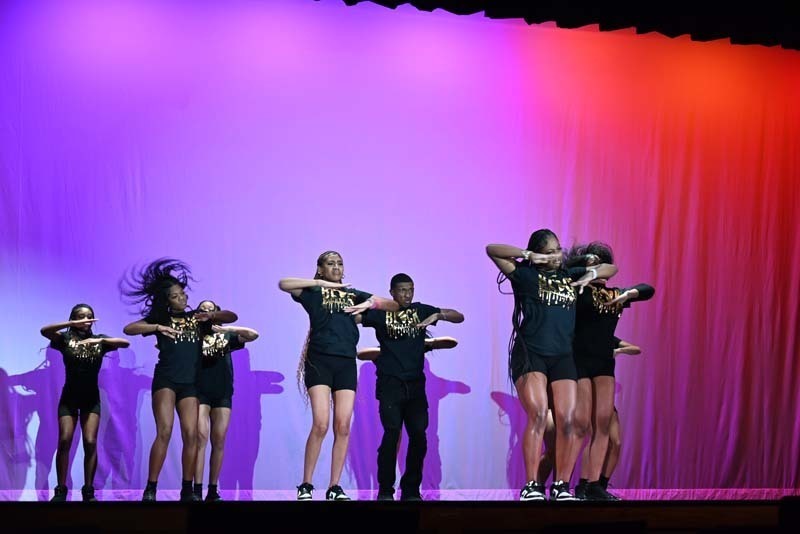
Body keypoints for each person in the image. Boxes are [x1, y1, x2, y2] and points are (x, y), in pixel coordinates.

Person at [486, 230, 616, 501]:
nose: (557, 255)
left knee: (567, 421)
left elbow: (611, 267)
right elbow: (492, 249)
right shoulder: (525, 275)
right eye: (550, 251)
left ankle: (561, 485)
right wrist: (528, 256)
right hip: (531, 354)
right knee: (537, 416)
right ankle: (531, 485)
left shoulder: (569, 275)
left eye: (558, 250)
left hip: (562, 356)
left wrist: (591, 274)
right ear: (539, 253)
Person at [278, 250, 398, 501]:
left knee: (343, 425)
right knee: (321, 423)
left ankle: (334, 487)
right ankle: (306, 484)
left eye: (340, 263)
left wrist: (370, 303)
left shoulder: (353, 293)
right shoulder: (313, 292)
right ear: (320, 268)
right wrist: (318, 282)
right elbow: (284, 284)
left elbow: (394, 304)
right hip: (319, 360)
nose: (336, 267)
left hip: (345, 362)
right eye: (330, 263)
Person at [121, 258, 236, 502]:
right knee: (164, 430)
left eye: (183, 293)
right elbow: (128, 329)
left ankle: (187, 489)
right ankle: (151, 487)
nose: (182, 298)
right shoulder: (160, 319)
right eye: (175, 296)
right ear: (167, 300)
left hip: (190, 384)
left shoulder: (197, 318)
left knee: (191, 434)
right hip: (166, 380)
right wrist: (157, 328)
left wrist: (210, 314)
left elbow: (232, 316)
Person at [358, 273, 464, 501]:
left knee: (419, 436)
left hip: (415, 386)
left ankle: (410, 489)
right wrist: (372, 303)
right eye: (402, 290)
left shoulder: (421, 310)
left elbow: (459, 317)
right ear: (392, 292)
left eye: (410, 289)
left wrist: (437, 314)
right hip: (389, 384)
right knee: (391, 433)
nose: (407, 294)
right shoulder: (381, 314)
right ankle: (385, 489)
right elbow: (354, 318)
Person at [565, 243, 654, 500]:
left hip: (604, 363)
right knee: (581, 424)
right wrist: (582, 272)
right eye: (594, 264)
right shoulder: (577, 291)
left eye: (601, 264)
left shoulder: (614, 293)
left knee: (602, 425)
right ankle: (563, 484)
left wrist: (629, 295)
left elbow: (649, 290)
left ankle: (590, 485)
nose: (599, 269)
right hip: (579, 360)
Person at [39, 304, 130, 502]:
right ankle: (61, 489)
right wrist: (71, 324)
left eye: (89, 316)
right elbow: (45, 331)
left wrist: (100, 340)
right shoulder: (64, 339)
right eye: (81, 316)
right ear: (74, 318)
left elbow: (125, 343)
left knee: (90, 442)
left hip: (91, 398)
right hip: (69, 396)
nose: (86, 319)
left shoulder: (99, 340)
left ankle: (88, 490)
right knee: (64, 440)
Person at [193, 300, 259, 502]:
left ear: (216, 313)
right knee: (201, 438)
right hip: (199, 390)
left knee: (219, 440)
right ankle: (196, 489)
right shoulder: (193, 334)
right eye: (202, 309)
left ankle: (213, 489)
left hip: (222, 391)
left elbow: (253, 335)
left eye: (210, 309)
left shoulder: (225, 334)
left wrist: (227, 328)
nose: (206, 312)